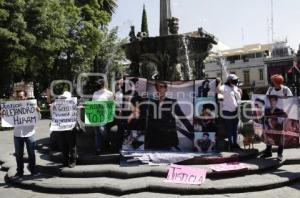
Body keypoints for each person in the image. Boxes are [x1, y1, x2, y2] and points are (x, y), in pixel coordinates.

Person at [145, 81, 194, 150]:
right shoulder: (151, 102)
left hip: (167, 137)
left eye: (162, 87)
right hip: (153, 137)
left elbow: (181, 116)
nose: (159, 89)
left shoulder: (172, 101)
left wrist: (191, 130)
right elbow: (148, 118)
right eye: (157, 87)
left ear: (166, 89)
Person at [261, 74, 293, 161]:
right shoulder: (270, 89)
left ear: (277, 83)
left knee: (280, 135)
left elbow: (291, 102)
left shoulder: (286, 90)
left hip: (281, 117)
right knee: (269, 133)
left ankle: (279, 154)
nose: (271, 83)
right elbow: (266, 100)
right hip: (271, 115)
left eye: (273, 81)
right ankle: (268, 151)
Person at [12, 90, 40, 177]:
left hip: (29, 134)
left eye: (21, 96)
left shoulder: (31, 106)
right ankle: (20, 172)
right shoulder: (13, 108)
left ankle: (33, 171)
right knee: (19, 155)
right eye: (18, 97)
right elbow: (8, 120)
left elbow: (38, 119)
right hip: (17, 135)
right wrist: (2, 115)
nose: (20, 98)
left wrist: (38, 112)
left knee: (31, 154)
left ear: (25, 97)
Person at [51, 91, 77, 168]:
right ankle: (65, 160)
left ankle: (72, 161)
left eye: (65, 98)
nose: (63, 99)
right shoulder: (57, 105)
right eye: (62, 98)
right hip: (61, 128)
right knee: (63, 145)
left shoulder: (73, 105)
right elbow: (54, 115)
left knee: (72, 145)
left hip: (70, 128)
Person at [218, 74, 242, 150]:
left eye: (236, 80)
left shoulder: (235, 87)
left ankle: (235, 143)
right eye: (235, 80)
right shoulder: (223, 88)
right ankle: (231, 144)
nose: (236, 81)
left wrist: (240, 93)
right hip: (227, 111)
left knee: (235, 129)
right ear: (229, 81)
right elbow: (219, 96)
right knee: (229, 129)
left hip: (236, 111)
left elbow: (238, 98)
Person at [92, 78, 114, 155]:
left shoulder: (109, 94)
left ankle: (107, 141)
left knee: (101, 129)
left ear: (103, 85)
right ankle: (98, 148)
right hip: (96, 115)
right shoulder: (95, 93)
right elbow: (93, 104)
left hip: (105, 115)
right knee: (97, 132)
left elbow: (111, 105)